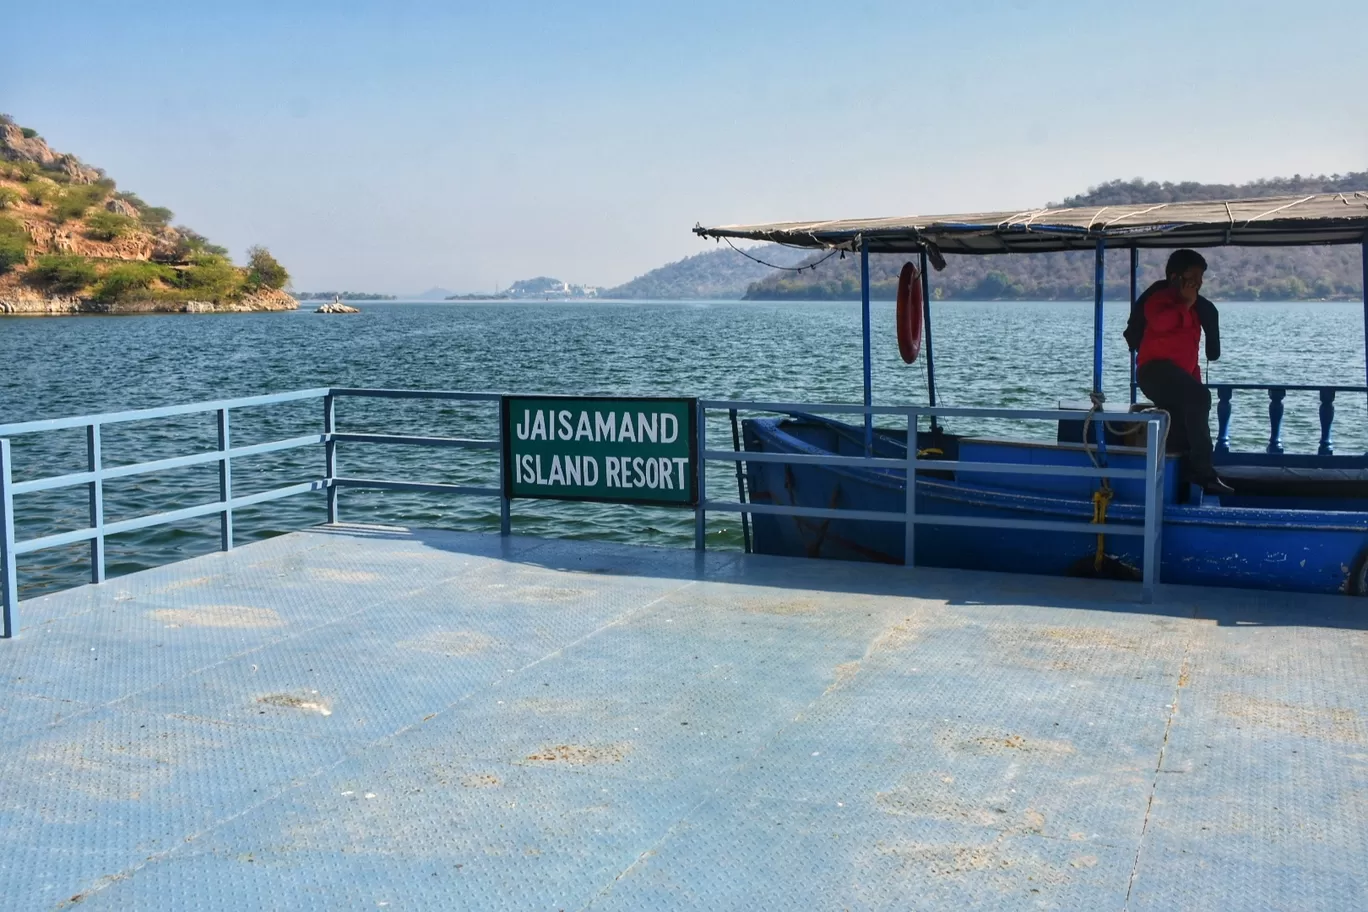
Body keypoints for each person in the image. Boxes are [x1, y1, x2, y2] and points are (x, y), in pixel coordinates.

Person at [1123, 249, 1232, 495]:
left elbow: (1191, 354)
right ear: (1174, 277)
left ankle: (1182, 480)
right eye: (1191, 276)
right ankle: (1204, 472)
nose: (1197, 283)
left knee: (1189, 415)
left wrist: (1195, 382)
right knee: (1199, 398)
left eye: (1200, 278)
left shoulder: (1197, 310)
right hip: (1154, 372)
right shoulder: (1158, 300)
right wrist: (1184, 304)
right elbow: (1161, 323)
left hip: (1179, 375)